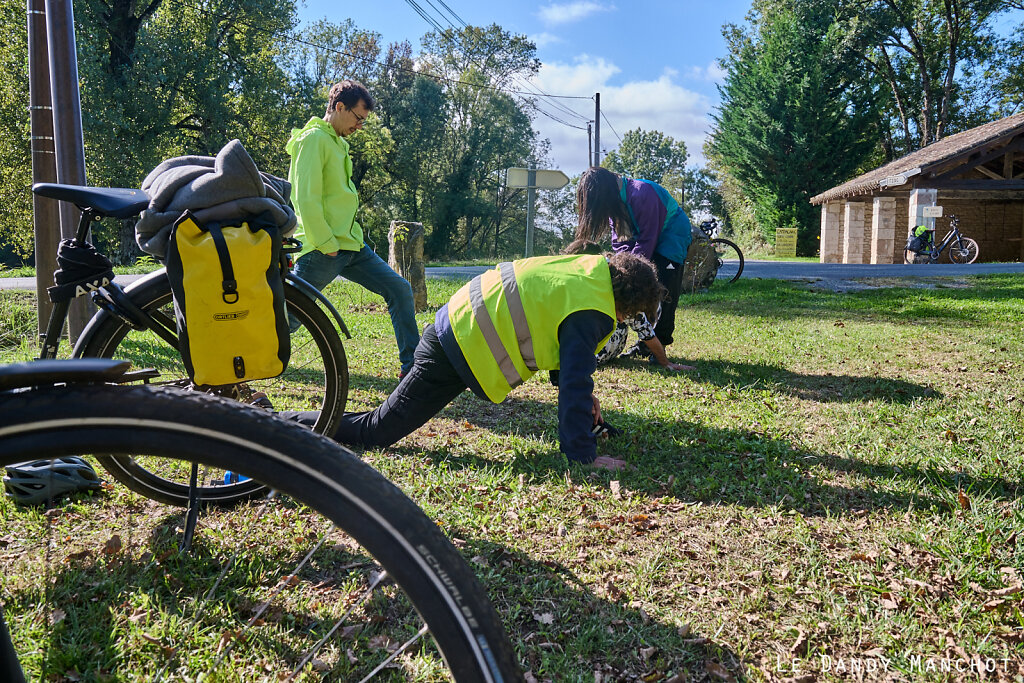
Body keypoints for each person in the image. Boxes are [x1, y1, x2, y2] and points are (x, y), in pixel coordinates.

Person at [284, 252, 665, 470]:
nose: (623, 321)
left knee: (378, 424)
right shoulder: (595, 310)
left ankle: (280, 421)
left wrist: (586, 404)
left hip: (458, 329)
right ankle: (274, 424)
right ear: (628, 303)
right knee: (375, 432)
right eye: (629, 315)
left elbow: (557, 338)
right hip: (455, 346)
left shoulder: (587, 272)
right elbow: (575, 383)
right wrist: (584, 455)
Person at [287, 79, 419, 375]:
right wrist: (327, 244)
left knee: (399, 289)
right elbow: (305, 198)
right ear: (338, 106)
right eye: (358, 118)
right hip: (323, 249)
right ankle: (239, 363)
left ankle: (413, 368)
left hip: (352, 246)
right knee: (290, 318)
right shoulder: (313, 140)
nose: (360, 126)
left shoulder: (336, 142)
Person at [575, 167, 693, 354]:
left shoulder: (641, 193)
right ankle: (645, 343)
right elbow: (621, 244)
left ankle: (659, 342)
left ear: (605, 192)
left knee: (665, 291)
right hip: (647, 237)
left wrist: (629, 273)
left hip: (672, 236)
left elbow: (647, 240)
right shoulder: (616, 205)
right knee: (636, 289)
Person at [564, 238, 693, 372]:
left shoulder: (619, 296)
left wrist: (665, 362)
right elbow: (647, 333)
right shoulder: (610, 292)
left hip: (587, 355)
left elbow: (647, 333)